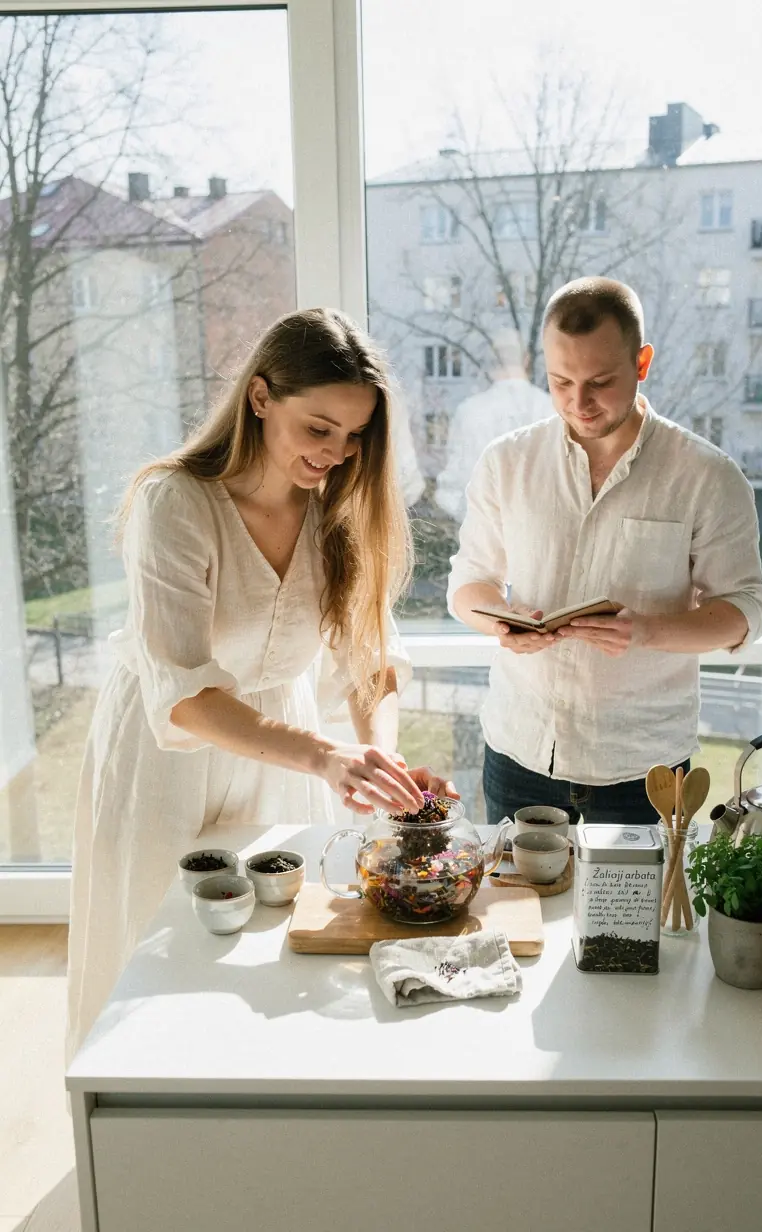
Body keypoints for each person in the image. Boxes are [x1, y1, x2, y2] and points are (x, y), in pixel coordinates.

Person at [67, 308, 454, 1059]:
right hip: (165, 750)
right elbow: (185, 697)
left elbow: (370, 663)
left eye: (354, 435)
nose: (336, 453)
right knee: (151, 948)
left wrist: (382, 763)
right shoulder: (175, 502)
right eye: (319, 428)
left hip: (279, 754)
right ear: (259, 397)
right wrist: (326, 756)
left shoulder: (335, 512)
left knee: (272, 955)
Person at [447, 278, 762, 826]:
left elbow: (744, 610)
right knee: (514, 890)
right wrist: (501, 621)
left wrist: (647, 632)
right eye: (560, 381)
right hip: (519, 751)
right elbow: (467, 585)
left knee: (646, 892)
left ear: (642, 363)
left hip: (646, 768)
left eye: (600, 382)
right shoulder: (507, 462)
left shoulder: (708, 476)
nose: (580, 403)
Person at [435, 328, 554, 523]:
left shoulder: (470, 412)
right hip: (543, 530)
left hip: (484, 530)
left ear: (490, 364)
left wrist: (475, 524)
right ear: (526, 359)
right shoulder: (552, 409)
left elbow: (454, 487)